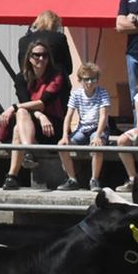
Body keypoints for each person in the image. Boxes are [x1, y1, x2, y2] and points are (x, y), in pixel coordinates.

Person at [0, 37, 68, 190]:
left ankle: (12, 175)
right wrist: (39, 115)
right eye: (37, 55)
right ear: (29, 58)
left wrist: (13, 107)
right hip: (33, 122)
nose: (41, 58)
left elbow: (44, 102)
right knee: (21, 116)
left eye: (44, 55)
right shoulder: (21, 78)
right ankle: (28, 151)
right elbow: (27, 104)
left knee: (19, 123)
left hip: (52, 126)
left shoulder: (57, 75)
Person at [58, 62, 112, 191]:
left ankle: (94, 179)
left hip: (98, 128)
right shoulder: (76, 94)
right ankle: (72, 179)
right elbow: (68, 116)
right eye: (86, 79)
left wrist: (98, 135)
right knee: (61, 146)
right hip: (82, 129)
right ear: (80, 80)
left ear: (97, 80)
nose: (89, 82)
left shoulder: (102, 93)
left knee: (97, 146)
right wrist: (65, 135)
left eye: (92, 79)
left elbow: (103, 116)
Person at [16, 10, 73, 105]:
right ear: (55, 24)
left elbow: (22, 66)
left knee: (26, 112)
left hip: (30, 87)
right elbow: (68, 67)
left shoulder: (23, 40)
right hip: (56, 90)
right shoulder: (59, 38)